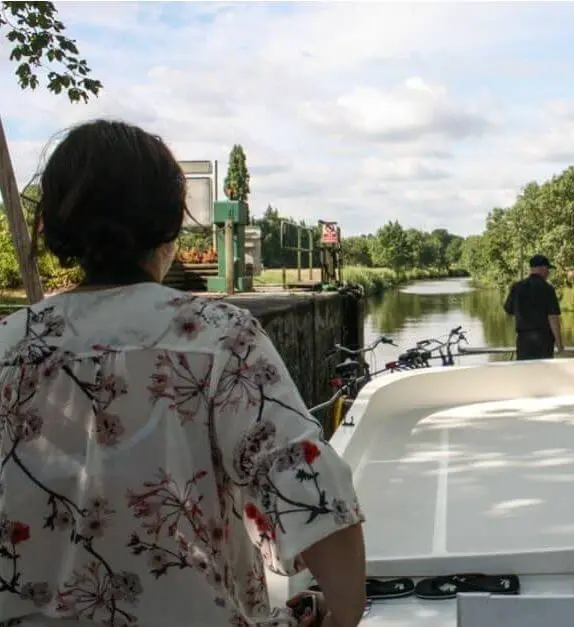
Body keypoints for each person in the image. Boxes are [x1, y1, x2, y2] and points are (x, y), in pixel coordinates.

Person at [0, 120, 365, 627]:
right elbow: (305, 479)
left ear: (55, 226)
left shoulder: (7, 345)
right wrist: (342, 614)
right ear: (170, 223)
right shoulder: (217, 337)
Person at [502, 254, 564, 360]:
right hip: (544, 342)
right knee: (543, 373)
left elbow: (509, 310)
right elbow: (553, 318)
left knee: (525, 373)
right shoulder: (548, 289)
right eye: (547, 268)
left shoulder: (516, 287)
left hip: (524, 341)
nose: (548, 272)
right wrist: (559, 344)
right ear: (542, 268)